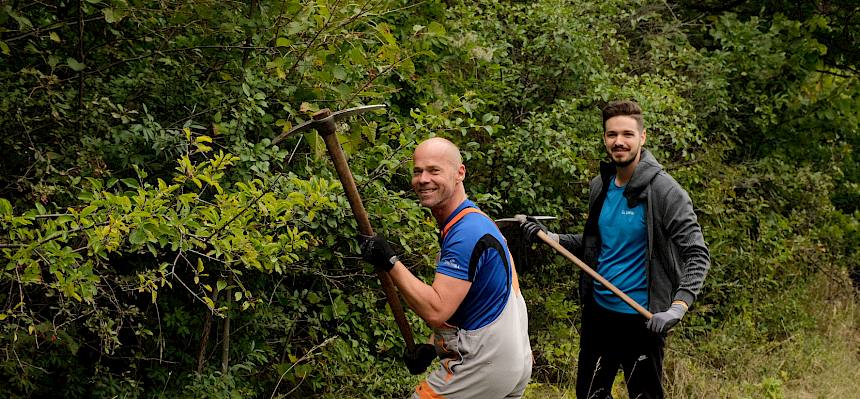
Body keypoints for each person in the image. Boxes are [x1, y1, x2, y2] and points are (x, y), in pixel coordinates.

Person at [521, 100, 710, 399]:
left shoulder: (665, 192)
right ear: (605, 138)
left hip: (643, 320)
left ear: (643, 137)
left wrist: (677, 307)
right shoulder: (601, 185)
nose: (618, 141)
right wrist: (551, 237)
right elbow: (595, 245)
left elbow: (697, 255)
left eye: (627, 134)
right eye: (611, 135)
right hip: (599, 316)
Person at [359, 137, 532, 398]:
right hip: (510, 362)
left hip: (483, 365)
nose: (423, 179)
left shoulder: (467, 233)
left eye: (434, 170)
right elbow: (469, 303)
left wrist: (390, 261)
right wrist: (432, 347)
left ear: (459, 173)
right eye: (418, 171)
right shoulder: (474, 220)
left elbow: (437, 309)